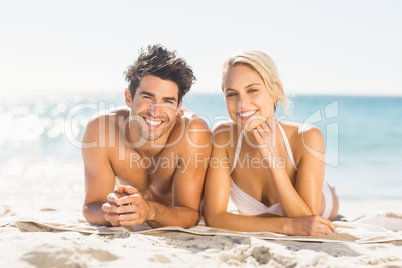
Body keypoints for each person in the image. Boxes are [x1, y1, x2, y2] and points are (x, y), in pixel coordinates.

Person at [204, 50, 339, 236]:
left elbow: (307, 220)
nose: (242, 103)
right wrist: (287, 227)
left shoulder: (307, 136)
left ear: (276, 91)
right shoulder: (222, 137)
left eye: (252, 90)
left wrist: (273, 160)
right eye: (232, 94)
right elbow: (214, 218)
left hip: (325, 199)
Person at [82, 44, 212, 228]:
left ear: (178, 106)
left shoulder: (193, 132)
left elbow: (191, 214)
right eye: (147, 97)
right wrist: (114, 213)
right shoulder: (101, 129)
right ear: (129, 97)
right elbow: (90, 207)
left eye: (168, 101)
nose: (155, 111)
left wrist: (150, 211)